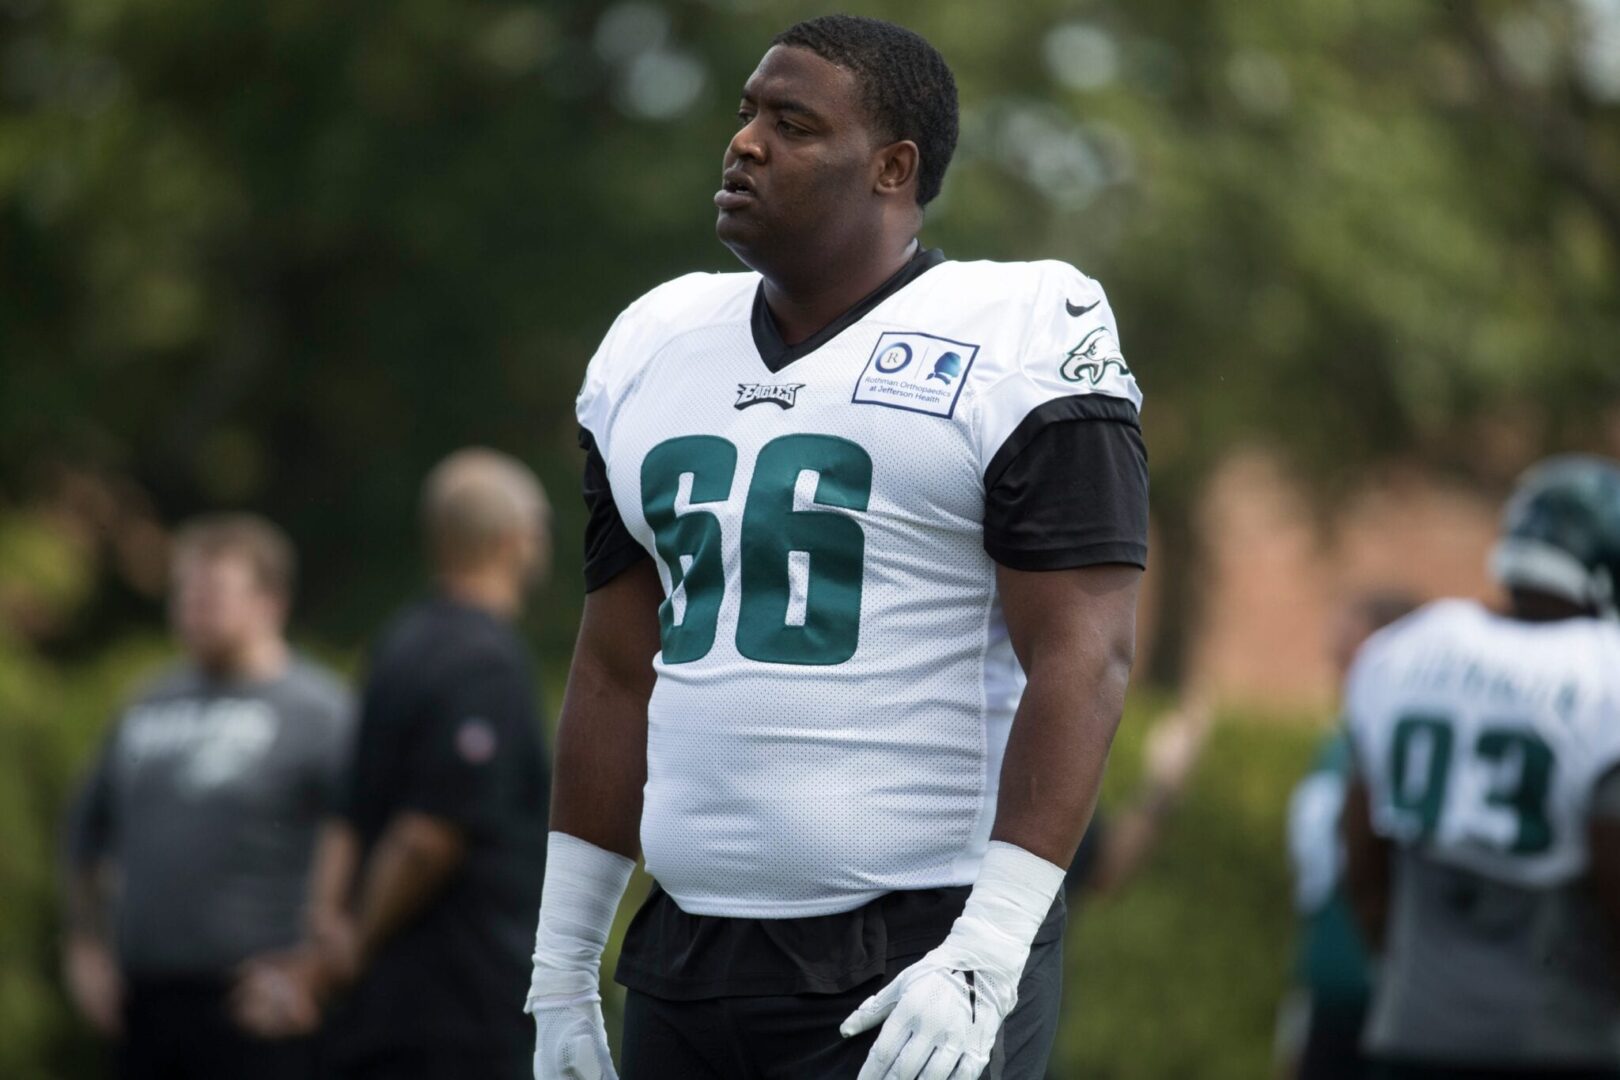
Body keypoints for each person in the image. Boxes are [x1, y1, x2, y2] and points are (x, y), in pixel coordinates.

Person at [526, 14, 1148, 1080]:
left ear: (892, 168)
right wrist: (561, 967)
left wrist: (988, 952)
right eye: (746, 115)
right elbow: (616, 670)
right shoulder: (655, 344)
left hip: (918, 955)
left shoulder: (1017, 332)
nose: (745, 143)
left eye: (793, 123)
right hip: (687, 955)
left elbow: (1083, 657)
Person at [252, 448, 554, 1080]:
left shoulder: (397, 641)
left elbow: (348, 807)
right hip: (462, 1004)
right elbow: (427, 837)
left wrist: (325, 926)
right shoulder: (488, 662)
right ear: (512, 540)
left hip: (381, 1012)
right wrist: (350, 949)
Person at [1342, 455, 1620, 1080]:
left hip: (1416, 1027)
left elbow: (1360, 861)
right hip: (1560, 1033)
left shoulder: (1404, 650)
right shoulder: (1606, 673)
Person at [60, 513, 351, 1080]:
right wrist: (85, 948)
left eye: (212, 593)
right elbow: (85, 829)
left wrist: (316, 969)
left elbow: (362, 836)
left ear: (269, 602)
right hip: (144, 1006)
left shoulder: (320, 712)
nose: (192, 607)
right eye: (184, 592)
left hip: (256, 1009)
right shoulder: (148, 702)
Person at [1278, 592, 1418, 1080]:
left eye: (1353, 650)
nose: (1340, 663)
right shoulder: (1337, 742)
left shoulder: (1403, 749)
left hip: (1386, 995)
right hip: (1328, 986)